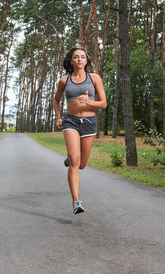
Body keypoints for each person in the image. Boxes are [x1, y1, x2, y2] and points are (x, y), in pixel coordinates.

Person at [53, 47, 107, 214]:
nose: (79, 60)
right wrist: (58, 117)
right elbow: (56, 100)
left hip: (89, 123)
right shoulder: (64, 80)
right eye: (76, 57)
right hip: (71, 122)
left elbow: (103, 103)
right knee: (76, 162)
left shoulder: (94, 78)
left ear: (86, 60)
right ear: (71, 60)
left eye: (82, 57)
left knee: (82, 164)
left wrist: (89, 102)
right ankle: (76, 201)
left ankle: (72, 158)